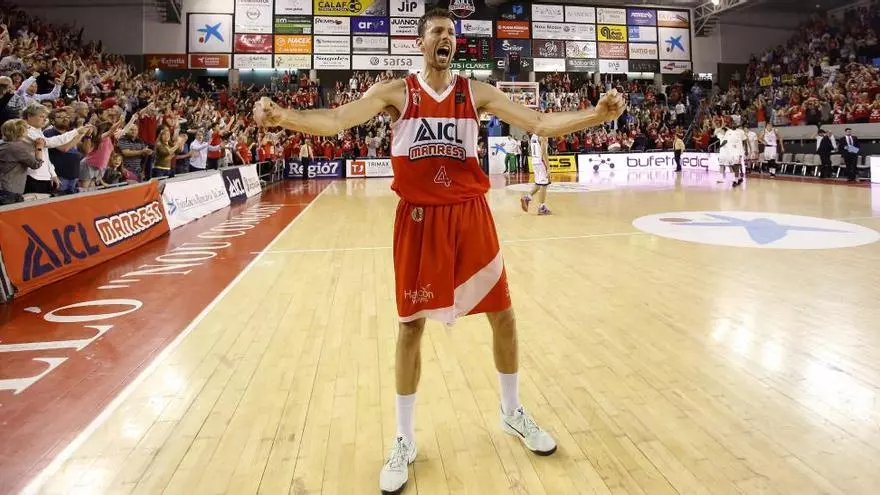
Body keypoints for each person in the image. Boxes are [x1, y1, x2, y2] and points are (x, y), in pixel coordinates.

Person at [253, 8, 625, 494]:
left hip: (470, 214)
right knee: (410, 327)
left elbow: (537, 121)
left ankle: (512, 411)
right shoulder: (395, 92)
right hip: (419, 218)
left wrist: (596, 115)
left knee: (504, 316)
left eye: (451, 32)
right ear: (421, 42)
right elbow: (338, 120)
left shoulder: (476, 93)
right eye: (437, 32)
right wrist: (283, 116)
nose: (446, 37)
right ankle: (404, 439)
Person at [520, 133, 551, 215]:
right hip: (541, 162)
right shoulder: (543, 135)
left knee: (538, 183)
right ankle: (542, 207)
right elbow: (544, 153)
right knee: (544, 184)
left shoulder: (534, 135)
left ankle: (527, 198)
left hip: (534, 161)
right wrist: (548, 168)